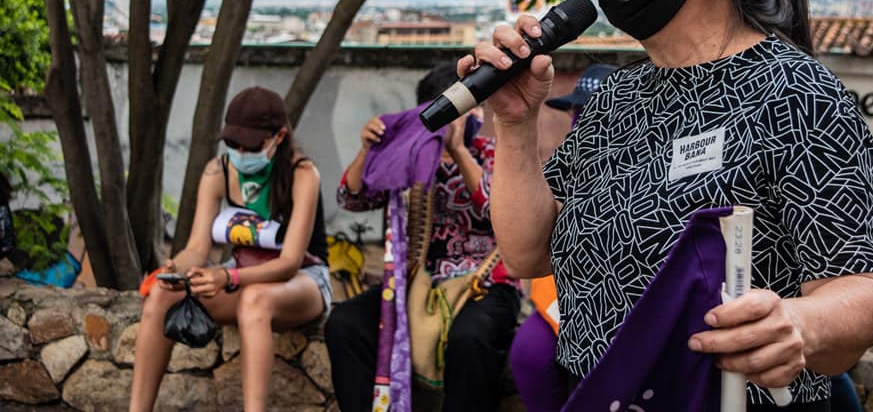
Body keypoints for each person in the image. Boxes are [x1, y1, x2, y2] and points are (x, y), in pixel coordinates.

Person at [465, 0, 873, 410]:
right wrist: (515, 124)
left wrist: (797, 323)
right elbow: (527, 252)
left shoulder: (796, 95)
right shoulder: (618, 95)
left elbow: (856, 289)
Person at [325, 63, 521, 412]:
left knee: (469, 340)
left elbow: (501, 212)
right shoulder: (407, 155)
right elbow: (352, 198)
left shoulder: (493, 152)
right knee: (345, 324)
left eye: (470, 107)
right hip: (413, 283)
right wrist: (368, 150)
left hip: (485, 284)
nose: (465, 117)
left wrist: (459, 151)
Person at [130, 86, 331, 412]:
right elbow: (197, 247)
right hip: (244, 277)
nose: (240, 152)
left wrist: (227, 276)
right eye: (233, 144)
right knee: (161, 297)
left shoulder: (303, 173)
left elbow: (291, 262)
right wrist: (174, 270)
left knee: (255, 300)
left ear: (278, 137)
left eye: (249, 145)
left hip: (304, 281)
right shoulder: (217, 171)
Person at [508, 63, 617, 412]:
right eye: (576, 110)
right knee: (530, 350)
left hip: (624, 299)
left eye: (590, 111)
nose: (580, 119)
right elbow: (528, 248)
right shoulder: (568, 157)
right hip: (560, 290)